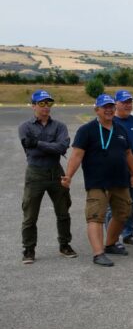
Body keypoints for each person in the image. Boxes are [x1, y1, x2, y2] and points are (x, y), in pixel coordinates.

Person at [61, 94, 133, 267]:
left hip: (120, 181)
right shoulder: (86, 130)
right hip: (97, 182)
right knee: (95, 217)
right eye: (105, 107)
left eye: (111, 106)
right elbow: (77, 155)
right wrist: (69, 176)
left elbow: (127, 154)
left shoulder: (120, 129)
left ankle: (110, 244)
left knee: (123, 213)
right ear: (97, 110)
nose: (109, 110)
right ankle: (98, 253)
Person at [19, 90, 75, 264]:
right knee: (30, 214)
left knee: (63, 212)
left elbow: (61, 148)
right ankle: (29, 249)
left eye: (48, 103)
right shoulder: (25, 127)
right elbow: (31, 151)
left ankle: (64, 245)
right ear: (33, 106)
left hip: (56, 172)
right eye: (41, 103)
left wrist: (37, 143)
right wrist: (50, 146)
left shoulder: (59, 126)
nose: (46, 107)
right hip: (35, 173)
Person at [105, 90, 133, 246]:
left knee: (131, 203)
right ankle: (112, 239)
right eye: (124, 102)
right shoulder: (110, 121)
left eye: (130, 102)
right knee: (113, 206)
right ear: (116, 104)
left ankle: (128, 233)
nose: (128, 105)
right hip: (116, 169)